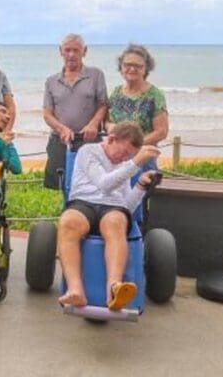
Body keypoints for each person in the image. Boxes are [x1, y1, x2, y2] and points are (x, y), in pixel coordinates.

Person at [57, 122, 161, 311]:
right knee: (68, 221)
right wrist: (135, 162)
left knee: (116, 222)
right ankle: (75, 290)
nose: (123, 158)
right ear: (111, 139)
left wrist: (139, 187)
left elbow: (127, 205)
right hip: (83, 202)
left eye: (128, 156)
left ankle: (114, 288)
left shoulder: (126, 164)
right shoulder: (88, 151)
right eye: (123, 153)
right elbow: (104, 184)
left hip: (113, 208)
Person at [42, 34, 108, 189]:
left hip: (90, 140)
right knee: (61, 184)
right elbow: (47, 113)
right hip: (60, 141)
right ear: (61, 51)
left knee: (91, 185)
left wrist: (93, 124)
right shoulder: (51, 81)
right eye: (67, 50)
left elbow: (103, 104)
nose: (71, 54)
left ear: (84, 51)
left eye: (76, 50)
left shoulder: (96, 75)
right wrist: (61, 128)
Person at [107, 44, 168, 148]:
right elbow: (107, 120)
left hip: (143, 156)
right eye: (127, 65)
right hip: (116, 154)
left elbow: (161, 132)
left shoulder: (155, 95)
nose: (132, 69)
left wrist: (133, 145)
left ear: (145, 69)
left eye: (138, 66)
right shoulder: (116, 93)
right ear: (121, 67)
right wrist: (109, 127)